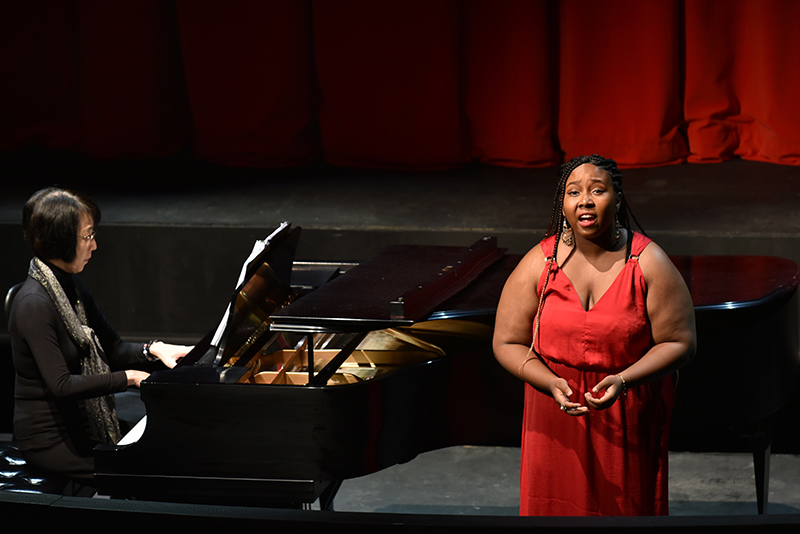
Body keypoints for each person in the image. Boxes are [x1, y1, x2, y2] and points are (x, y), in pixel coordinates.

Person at [493, 154, 696, 516]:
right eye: (574, 192)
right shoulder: (541, 262)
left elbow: (680, 343)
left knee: (620, 511)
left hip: (623, 415)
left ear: (617, 199)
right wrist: (549, 382)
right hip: (553, 415)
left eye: (597, 190)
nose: (585, 199)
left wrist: (623, 379)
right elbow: (507, 342)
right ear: (563, 203)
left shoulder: (647, 262)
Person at [8, 187, 193, 487]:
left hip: (82, 424)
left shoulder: (73, 288)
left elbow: (115, 348)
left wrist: (154, 350)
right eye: (87, 236)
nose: (94, 245)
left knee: (169, 446)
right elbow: (62, 385)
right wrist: (130, 377)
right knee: (144, 473)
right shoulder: (34, 304)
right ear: (61, 241)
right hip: (50, 440)